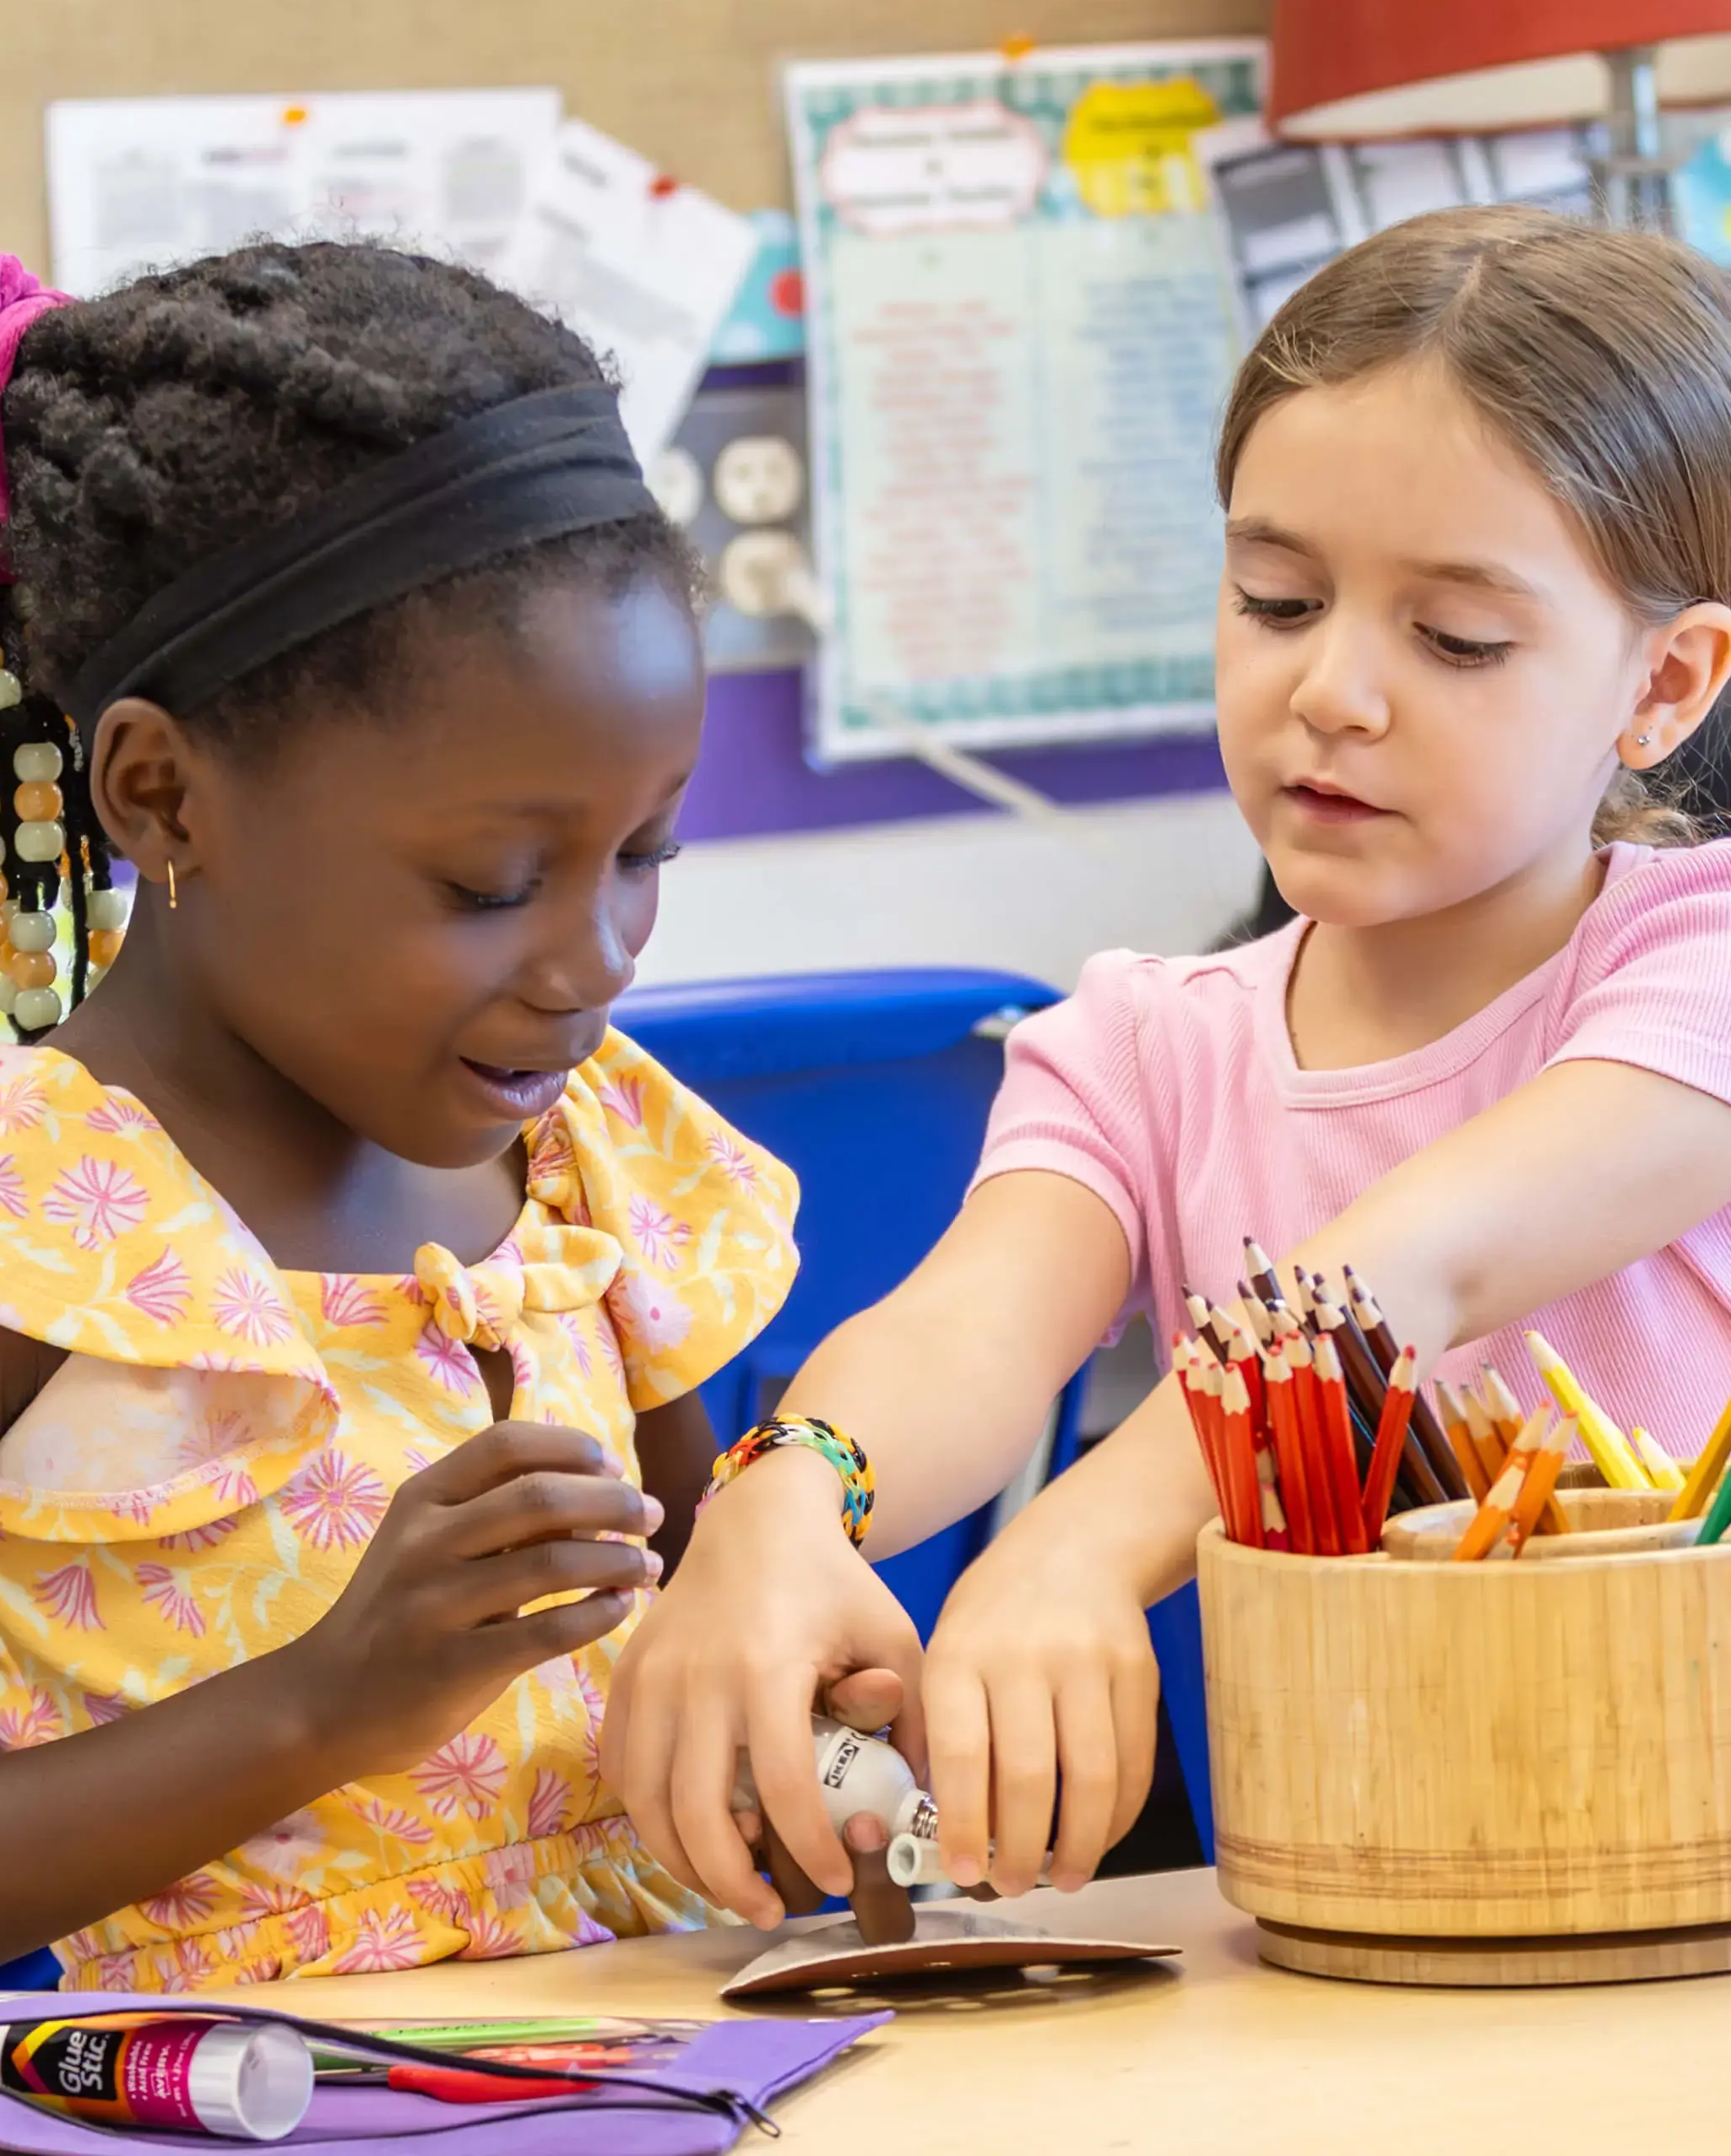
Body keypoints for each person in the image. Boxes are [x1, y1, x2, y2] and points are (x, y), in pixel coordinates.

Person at [605, 204, 1731, 1925]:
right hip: (1356, 1922)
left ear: (1661, 683)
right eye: (1275, 596)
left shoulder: (1695, 960)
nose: (1330, 690)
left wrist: (1074, 1538)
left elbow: (1409, 1269)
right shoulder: (1144, 1034)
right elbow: (967, 1328)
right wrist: (783, 1496)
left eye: (1454, 640)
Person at [0, 242, 804, 2021]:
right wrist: (321, 1702)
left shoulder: (587, 1157)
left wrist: (805, 1719)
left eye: (644, 856)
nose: (592, 962)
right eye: (487, 882)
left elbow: (721, 1652)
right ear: (162, 790)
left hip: (685, 2075)